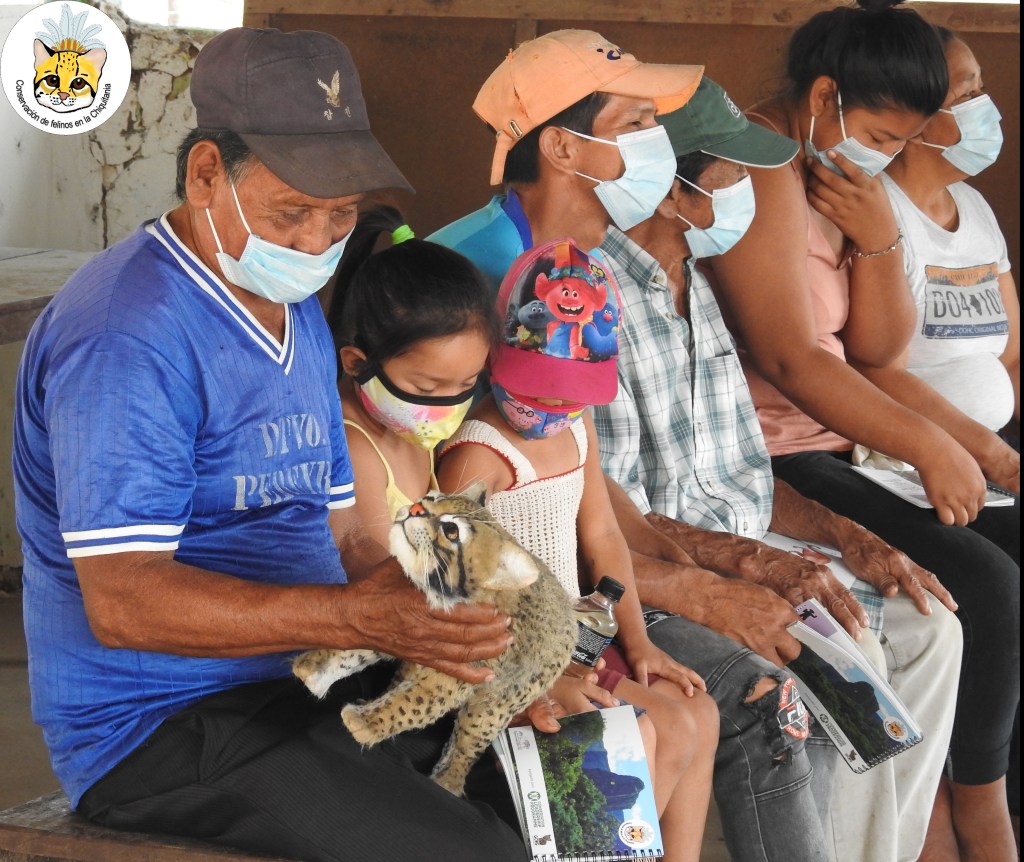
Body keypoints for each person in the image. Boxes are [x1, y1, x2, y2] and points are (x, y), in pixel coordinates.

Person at [12, 28, 528, 862]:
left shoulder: (293, 311)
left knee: (550, 782)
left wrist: (455, 623)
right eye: (292, 212)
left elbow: (346, 534)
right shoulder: (127, 335)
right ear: (205, 174)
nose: (318, 242)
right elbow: (123, 602)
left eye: (342, 213)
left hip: (299, 674)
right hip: (158, 726)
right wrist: (357, 616)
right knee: (474, 855)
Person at [429, 28, 834, 862]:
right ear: (563, 147)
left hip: (577, 590)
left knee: (714, 704)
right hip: (487, 614)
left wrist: (678, 579)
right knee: (724, 709)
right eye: (637, 124)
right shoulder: (469, 272)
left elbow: (583, 473)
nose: (657, 144)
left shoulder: (580, 266)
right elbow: (431, 506)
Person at [593, 73, 962, 862]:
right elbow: (608, 512)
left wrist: (848, 535)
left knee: (932, 625)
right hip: (671, 566)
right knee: (848, 666)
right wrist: (752, 564)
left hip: (746, 539)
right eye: (732, 173)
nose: (748, 193)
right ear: (673, 191)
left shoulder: (694, 281)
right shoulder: (594, 296)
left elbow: (745, 476)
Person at [703, 4, 1019, 858]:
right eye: (879, 134)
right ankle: (966, 811)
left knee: (1001, 560)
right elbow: (791, 357)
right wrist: (933, 445)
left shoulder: (834, 167)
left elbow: (877, 349)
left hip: (838, 448)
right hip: (773, 458)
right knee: (981, 584)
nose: (883, 156)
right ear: (824, 97)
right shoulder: (759, 163)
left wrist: (877, 240)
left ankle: (964, 800)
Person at [437, 238, 719, 862]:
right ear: (499, 356)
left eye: (571, 395)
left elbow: (603, 536)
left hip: (578, 640)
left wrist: (639, 643)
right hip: (516, 658)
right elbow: (459, 596)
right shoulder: (478, 455)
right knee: (664, 728)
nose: (555, 408)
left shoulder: (577, 426)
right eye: (542, 392)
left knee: (698, 713)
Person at [866, 28, 1020, 859]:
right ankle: (974, 796)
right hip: (902, 465)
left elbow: (1011, 353)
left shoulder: (978, 213)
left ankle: (1001, 784)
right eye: (965, 93)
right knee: (993, 581)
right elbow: (871, 364)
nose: (985, 107)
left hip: (987, 454)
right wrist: (984, 454)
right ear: (916, 114)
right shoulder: (876, 209)